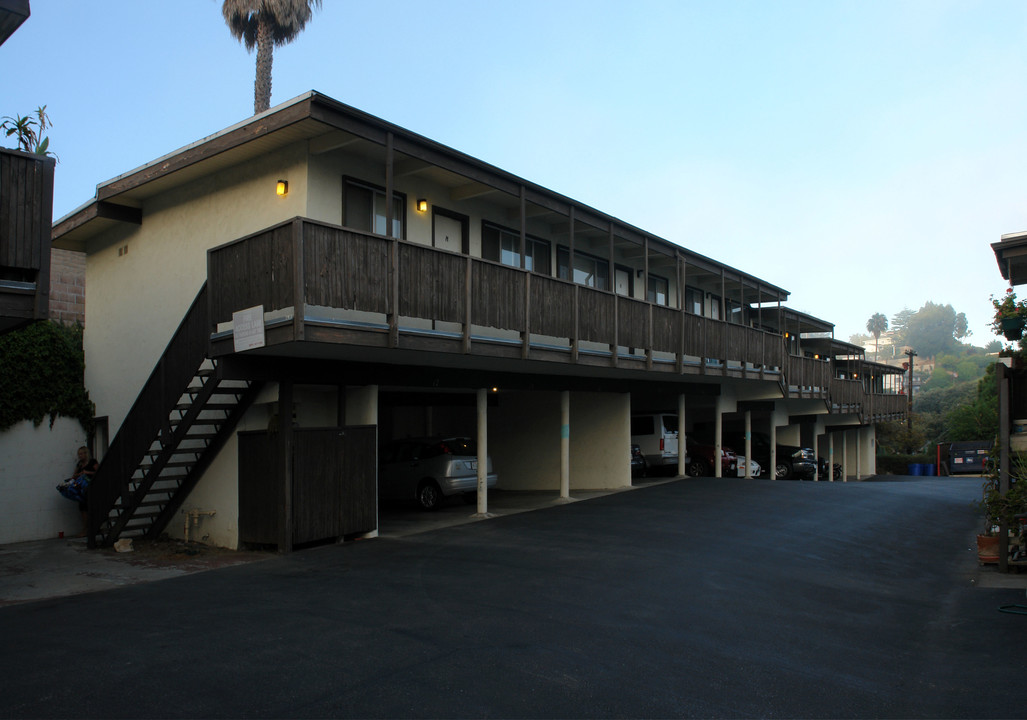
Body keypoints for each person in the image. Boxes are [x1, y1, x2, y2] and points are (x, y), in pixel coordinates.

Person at [56, 446, 98, 537]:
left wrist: (88, 473)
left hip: (91, 488)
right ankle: (85, 529)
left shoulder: (92, 462)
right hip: (81, 491)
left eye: (81, 454)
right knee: (83, 509)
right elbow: (74, 476)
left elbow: (99, 472)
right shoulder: (79, 464)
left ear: (86, 454)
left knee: (91, 508)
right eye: (79, 454)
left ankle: (92, 528)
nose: (79, 456)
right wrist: (78, 475)